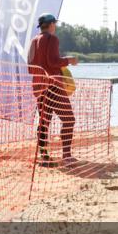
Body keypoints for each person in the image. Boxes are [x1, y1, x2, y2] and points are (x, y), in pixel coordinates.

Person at [28, 13, 78, 167]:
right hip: (53, 86)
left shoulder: (33, 41)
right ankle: (67, 155)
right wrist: (69, 60)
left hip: (38, 87)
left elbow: (30, 68)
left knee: (44, 121)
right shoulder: (52, 39)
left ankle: (43, 156)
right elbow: (52, 61)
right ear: (50, 25)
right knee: (69, 119)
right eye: (54, 24)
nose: (55, 26)